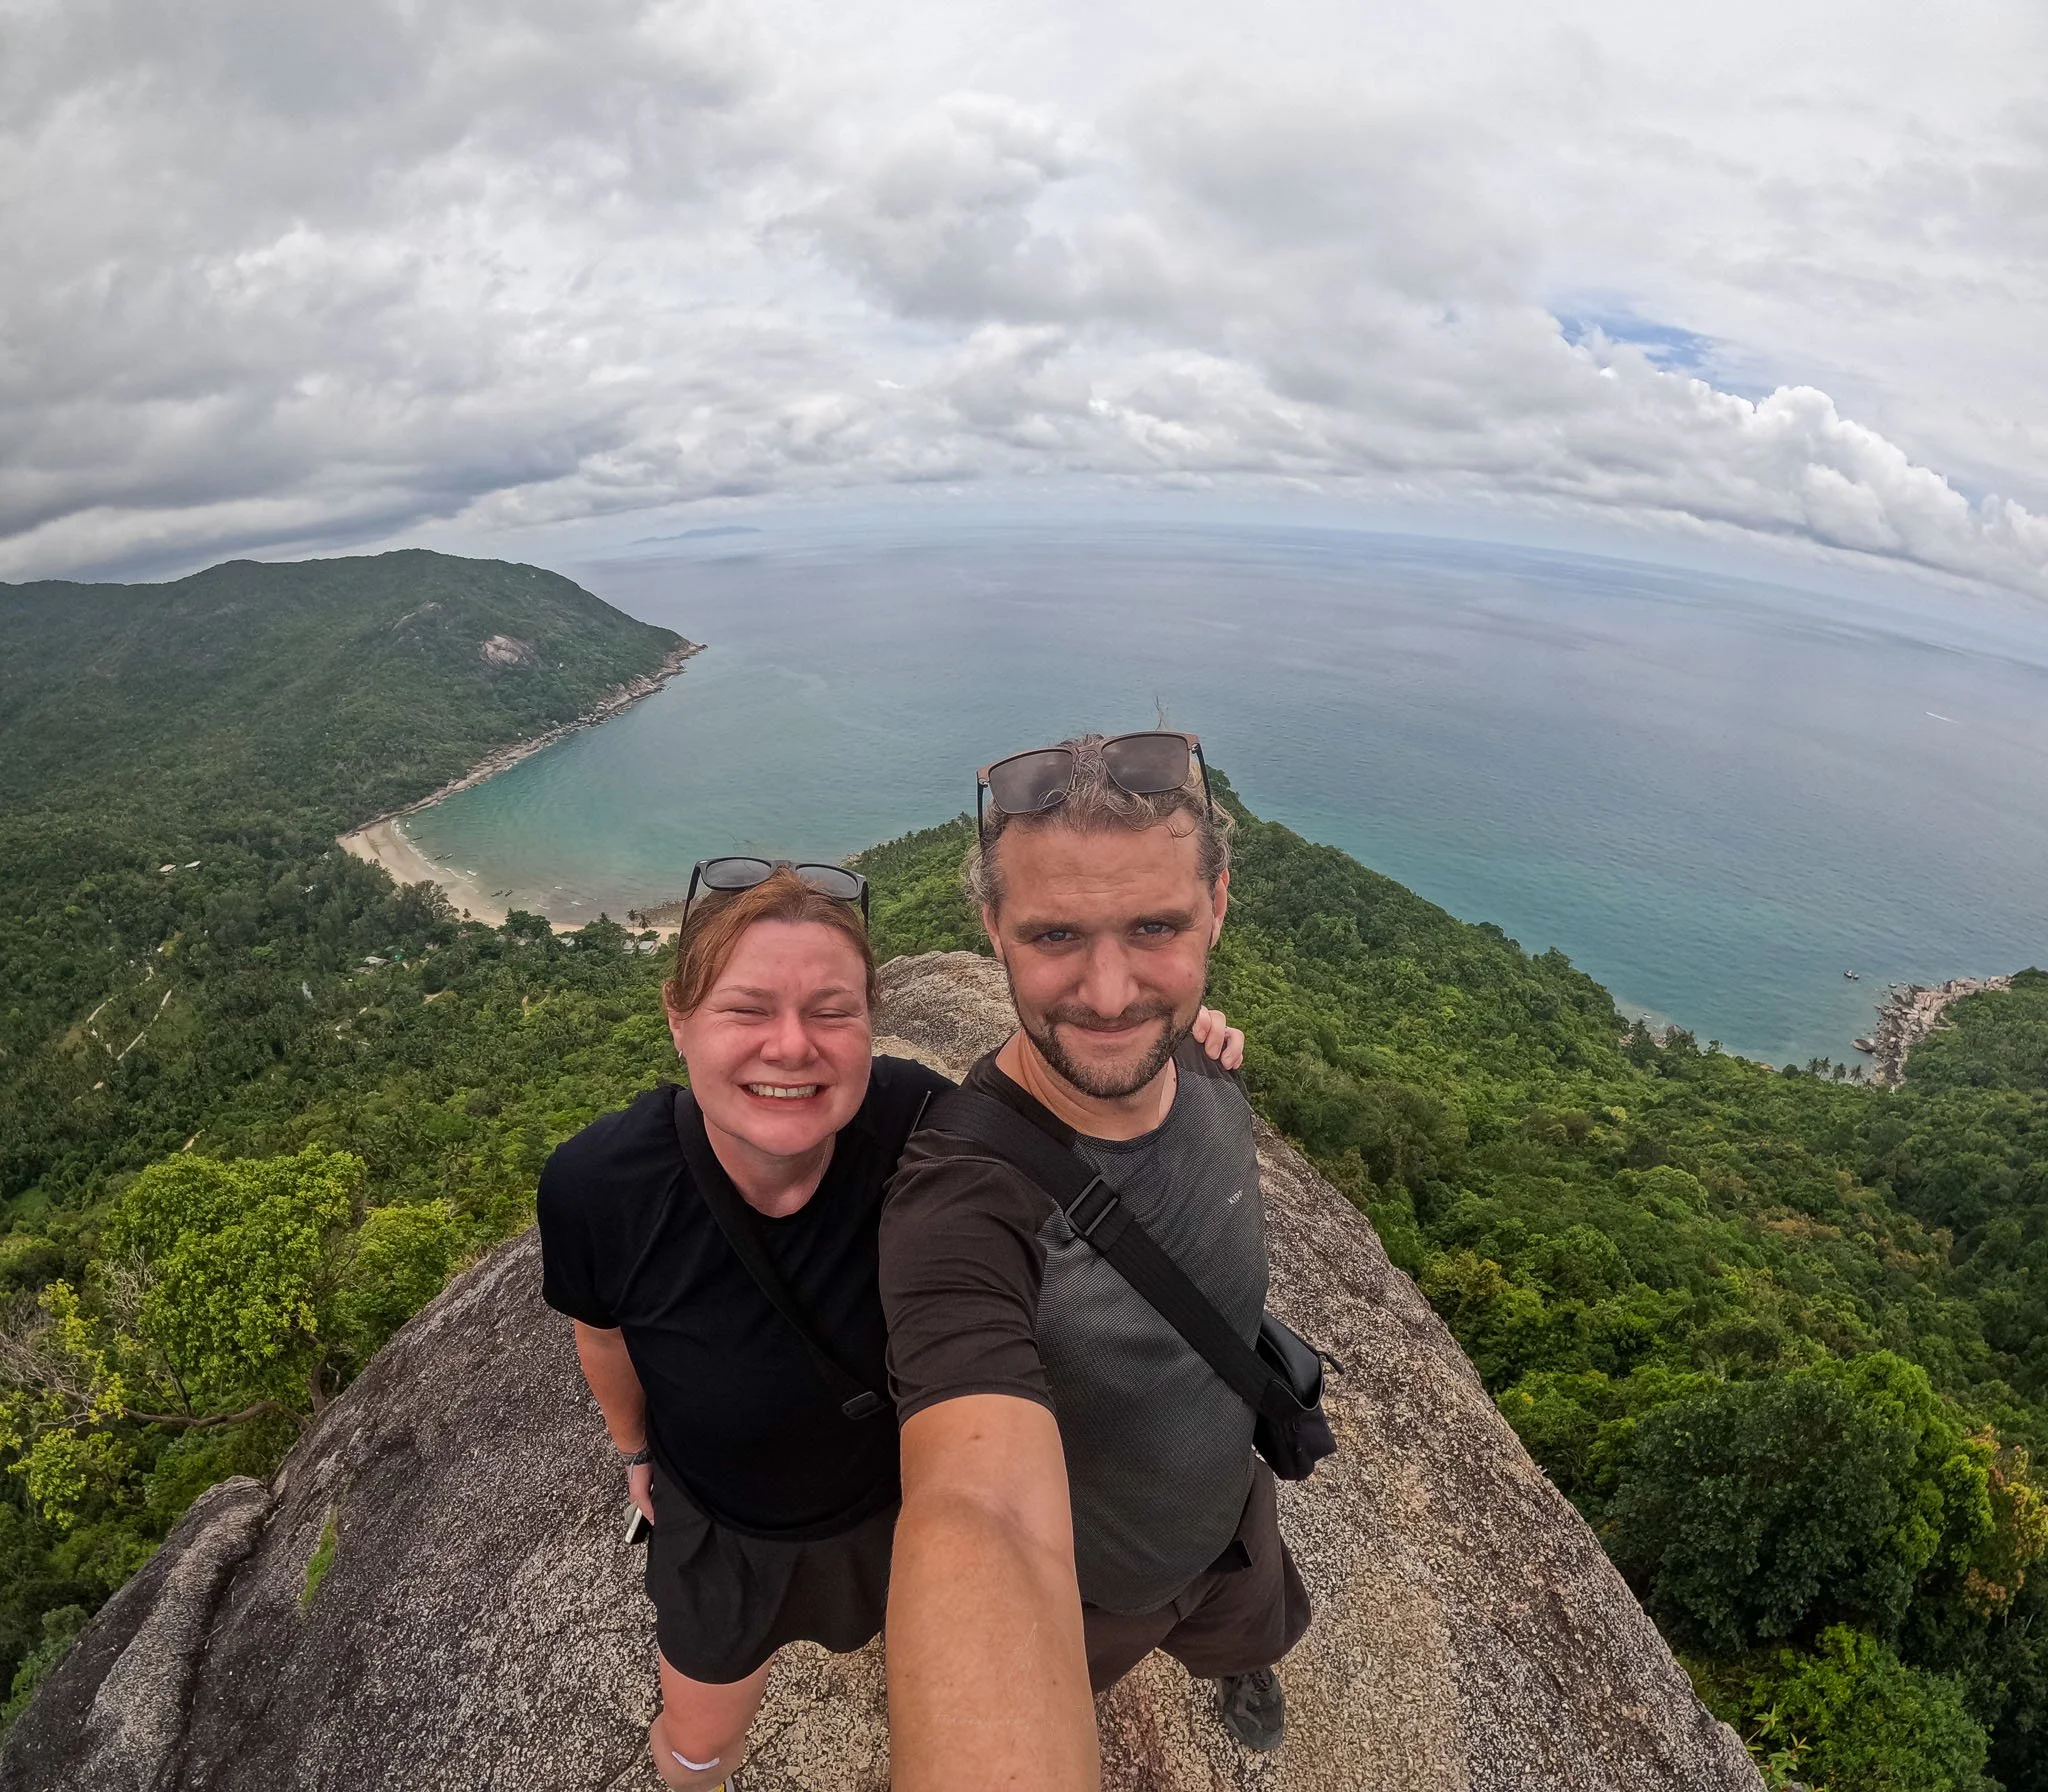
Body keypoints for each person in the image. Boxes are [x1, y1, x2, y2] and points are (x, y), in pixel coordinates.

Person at [536, 855, 1246, 1792]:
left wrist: (1165, 1036)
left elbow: (1054, 1110)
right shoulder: (601, 1186)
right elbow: (603, 1333)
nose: (791, 1047)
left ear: (871, 1020)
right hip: (727, 1531)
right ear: (679, 1019)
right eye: (746, 1010)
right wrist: (634, 1453)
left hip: (895, 1509)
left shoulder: (915, 1120)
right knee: (697, 1741)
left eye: (832, 1011)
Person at [882, 732, 1311, 1792]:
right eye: (1055, 934)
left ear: (1217, 901)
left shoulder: (1206, 1065)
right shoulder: (962, 1201)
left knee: (1250, 1628)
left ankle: (1241, 1671)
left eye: (1153, 926)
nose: (1110, 992)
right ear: (992, 928)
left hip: (1225, 1514)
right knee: (1064, 1683)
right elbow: (973, 1502)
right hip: (1082, 1589)